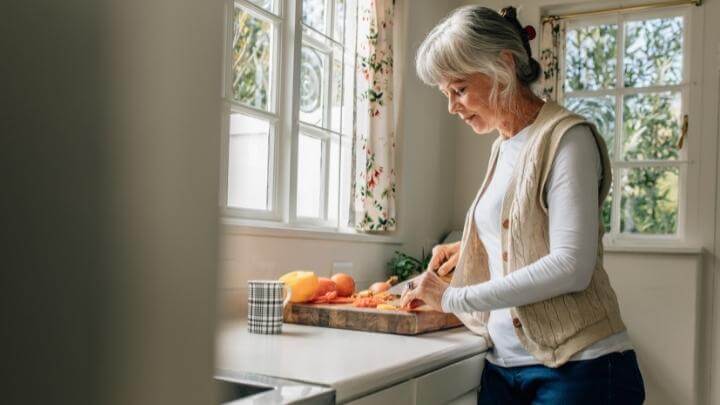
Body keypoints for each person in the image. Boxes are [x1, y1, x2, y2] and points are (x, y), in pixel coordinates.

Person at [399, 6, 646, 404]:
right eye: (446, 94)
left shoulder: (567, 139)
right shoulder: (503, 145)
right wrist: (469, 247)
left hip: (580, 371)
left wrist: (451, 297)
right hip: (504, 368)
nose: (452, 107)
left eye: (459, 89)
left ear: (504, 65)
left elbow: (571, 266)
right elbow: (527, 231)